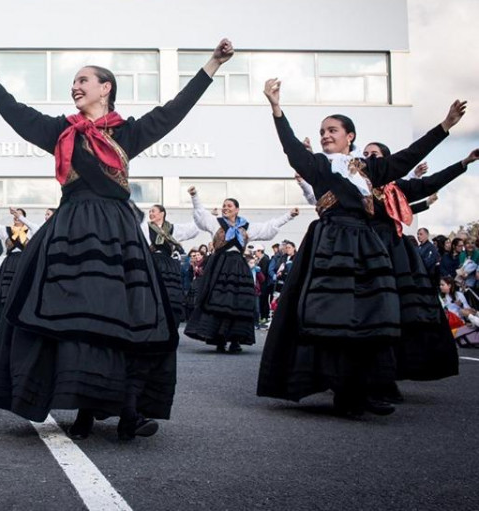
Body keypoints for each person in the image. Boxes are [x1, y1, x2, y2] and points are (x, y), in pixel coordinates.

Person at [0, 37, 234, 440]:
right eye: (73, 82)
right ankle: (88, 407)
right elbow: (16, 114)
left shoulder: (128, 131)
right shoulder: (60, 131)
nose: (75, 86)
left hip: (117, 234)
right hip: (70, 231)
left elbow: (175, 110)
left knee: (122, 319)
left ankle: (126, 408)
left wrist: (212, 63)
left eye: (83, 80)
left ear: (106, 88)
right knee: (75, 319)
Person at [256, 77, 466, 417]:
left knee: (371, 318)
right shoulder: (320, 166)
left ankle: (366, 388)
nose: (325, 135)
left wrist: (444, 126)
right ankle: (346, 394)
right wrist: (276, 108)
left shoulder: (369, 170)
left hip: (367, 248)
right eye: (323, 130)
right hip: (333, 246)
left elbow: (407, 158)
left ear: (350, 136)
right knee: (337, 319)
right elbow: (292, 149)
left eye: (333, 130)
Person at [362, 141, 476, 386]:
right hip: (364, 249)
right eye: (365, 154)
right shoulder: (357, 186)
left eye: (375, 154)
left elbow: (429, 183)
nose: (369, 158)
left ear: (387, 160)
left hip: (393, 251)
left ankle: (391, 370)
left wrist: (463, 163)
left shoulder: (397, 187)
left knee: (398, 310)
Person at [184, 187, 298, 353]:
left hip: (238, 266)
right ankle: (219, 338)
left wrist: (289, 216)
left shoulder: (246, 227)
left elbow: (268, 227)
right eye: (224, 205)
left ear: (237, 209)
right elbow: (201, 214)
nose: (226, 208)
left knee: (238, 301)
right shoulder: (216, 223)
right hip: (219, 265)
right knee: (219, 300)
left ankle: (236, 339)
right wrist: (194, 196)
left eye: (229, 205)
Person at [0, 207, 39, 329]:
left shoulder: (31, 231)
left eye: (19, 215)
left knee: (24, 290)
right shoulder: (7, 230)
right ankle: (4, 320)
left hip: (25, 262)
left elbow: (37, 229)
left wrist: (21, 217)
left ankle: (23, 318)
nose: (16, 217)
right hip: (10, 263)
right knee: (6, 291)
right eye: (14, 215)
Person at [143, 204, 198, 325]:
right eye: (150, 211)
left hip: (168, 264)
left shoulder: (173, 229)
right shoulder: (145, 227)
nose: (151, 213)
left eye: (154, 211)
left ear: (162, 214)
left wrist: (203, 214)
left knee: (170, 293)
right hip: (152, 262)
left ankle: (169, 321)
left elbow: (193, 229)